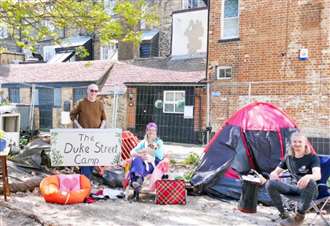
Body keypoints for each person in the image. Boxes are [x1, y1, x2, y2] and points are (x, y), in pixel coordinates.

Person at [265, 132, 321, 226]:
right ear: (291, 143)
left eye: (300, 141)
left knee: (310, 182)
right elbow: (275, 172)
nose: (297, 144)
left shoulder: (312, 157)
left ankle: (299, 217)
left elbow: (317, 175)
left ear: (305, 143)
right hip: (293, 188)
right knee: (270, 183)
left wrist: (308, 176)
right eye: (295, 141)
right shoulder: (288, 158)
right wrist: (273, 174)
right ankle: (284, 214)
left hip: (309, 190)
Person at [70, 84, 106, 179]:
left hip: (95, 137)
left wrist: (100, 130)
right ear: (87, 91)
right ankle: (86, 180)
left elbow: (104, 119)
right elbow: (72, 115)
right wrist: (79, 127)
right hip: (83, 136)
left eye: (96, 91)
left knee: (92, 158)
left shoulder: (100, 104)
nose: (94, 93)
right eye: (92, 90)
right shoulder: (81, 103)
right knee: (84, 159)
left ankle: (85, 181)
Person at [129, 122, 165, 200]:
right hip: (143, 164)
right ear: (146, 131)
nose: (151, 132)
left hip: (154, 164)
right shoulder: (143, 142)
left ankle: (137, 184)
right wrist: (140, 155)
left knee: (139, 165)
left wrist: (146, 149)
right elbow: (132, 152)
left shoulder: (159, 142)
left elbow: (160, 155)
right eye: (149, 130)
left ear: (156, 132)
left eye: (153, 130)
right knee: (137, 160)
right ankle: (138, 181)